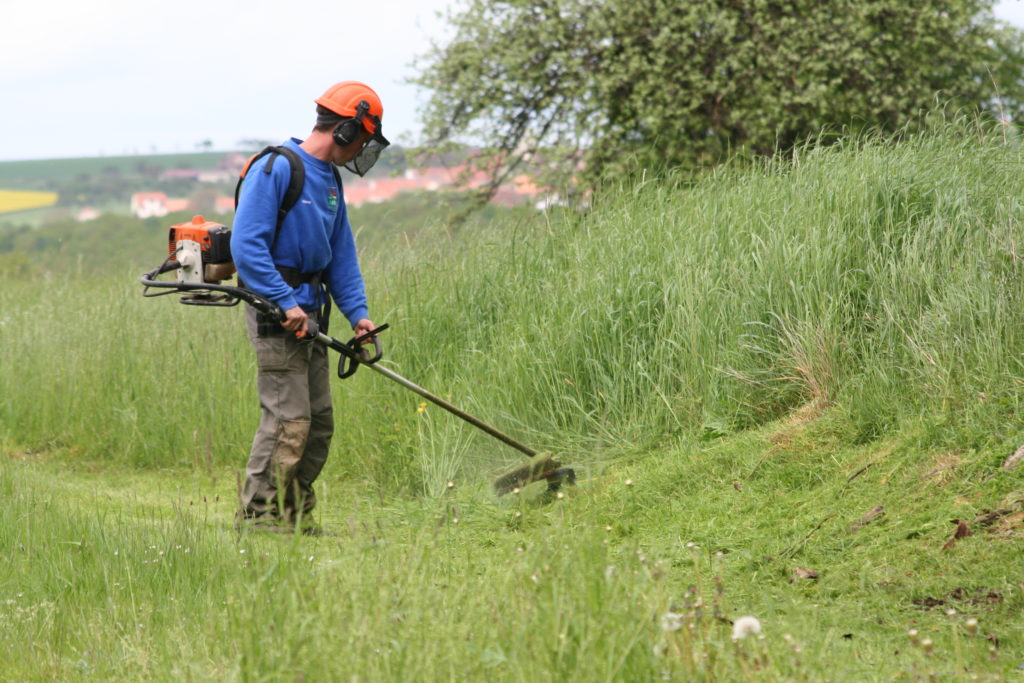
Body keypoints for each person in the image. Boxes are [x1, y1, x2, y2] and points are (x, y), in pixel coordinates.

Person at [230, 81, 390, 533]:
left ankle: (295, 515)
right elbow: (247, 247)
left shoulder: (331, 180)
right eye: (361, 139)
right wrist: (284, 301)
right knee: (287, 421)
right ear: (344, 131)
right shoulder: (277, 167)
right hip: (274, 312)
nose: (361, 150)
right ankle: (260, 519)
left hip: (312, 313)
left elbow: (341, 256)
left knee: (317, 424)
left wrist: (358, 315)